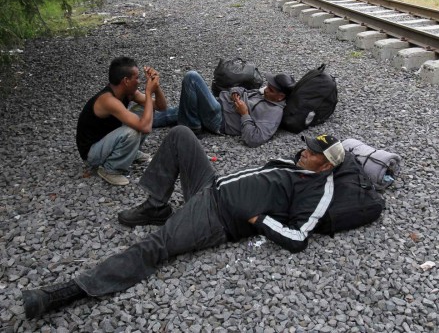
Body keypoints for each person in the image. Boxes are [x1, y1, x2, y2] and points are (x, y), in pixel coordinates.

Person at [22, 126, 346, 319]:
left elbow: (298, 237)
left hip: (216, 217)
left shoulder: (318, 191)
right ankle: (155, 205)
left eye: (313, 151)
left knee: (156, 245)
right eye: (307, 145)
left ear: (327, 165)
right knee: (180, 134)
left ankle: (63, 293)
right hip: (210, 186)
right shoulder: (300, 165)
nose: (304, 150)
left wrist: (259, 219)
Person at [76, 56, 168, 186]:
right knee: (133, 131)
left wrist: (156, 86)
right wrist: (148, 92)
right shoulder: (108, 100)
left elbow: (161, 107)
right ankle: (110, 169)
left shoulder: (127, 92)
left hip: (107, 140)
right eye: (136, 78)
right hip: (92, 153)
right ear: (126, 81)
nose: (140, 81)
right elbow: (145, 127)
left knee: (146, 109)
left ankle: (131, 152)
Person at [155, 70, 295, 147]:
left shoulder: (274, 113)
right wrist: (236, 93)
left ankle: (192, 127)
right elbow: (242, 89)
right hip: (218, 104)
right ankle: (138, 122)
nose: (266, 89)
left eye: (271, 89)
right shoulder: (267, 94)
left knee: (192, 77)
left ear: (280, 97)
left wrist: (244, 113)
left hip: (219, 119)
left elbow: (254, 139)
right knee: (174, 113)